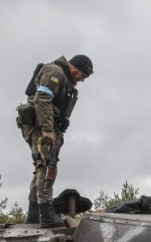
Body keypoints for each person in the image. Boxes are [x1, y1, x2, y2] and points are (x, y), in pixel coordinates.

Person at [18, 54, 93, 227]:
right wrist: (47, 131)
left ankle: (34, 213)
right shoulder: (56, 72)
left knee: (42, 166)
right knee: (47, 165)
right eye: (83, 74)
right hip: (40, 127)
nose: (82, 79)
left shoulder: (64, 78)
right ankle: (46, 213)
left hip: (47, 127)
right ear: (75, 66)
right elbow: (42, 99)